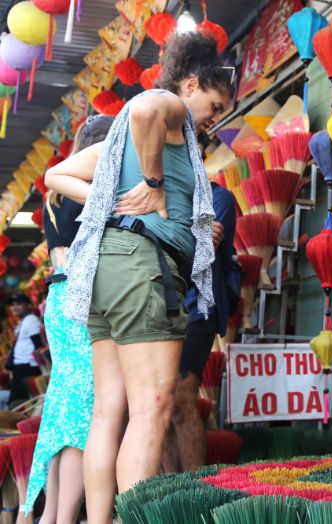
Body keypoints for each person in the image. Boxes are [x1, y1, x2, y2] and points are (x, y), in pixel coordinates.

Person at [44, 31, 232, 524]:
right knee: (152, 405)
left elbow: (57, 176)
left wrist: (114, 203)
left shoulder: (119, 137)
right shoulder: (167, 107)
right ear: (191, 85)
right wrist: (150, 186)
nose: (215, 118)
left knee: (111, 411)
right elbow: (149, 105)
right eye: (214, 105)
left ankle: (101, 518)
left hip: (104, 270)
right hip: (139, 266)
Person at [23, 116, 114, 524]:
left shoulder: (55, 197)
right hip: (81, 299)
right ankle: (62, 517)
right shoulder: (88, 190)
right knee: (82, 417)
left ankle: (50, 517)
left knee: (63, 414)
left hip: (58, 300)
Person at [164, 138, 237, 473]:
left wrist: (180, 233)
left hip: (197, 307)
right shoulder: (155, 197)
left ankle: (192, 490)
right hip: (158, 305)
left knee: (181, 401)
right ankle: (166, 494)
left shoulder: (219, 198)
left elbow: (199, 253)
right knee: (159, 406)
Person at [6, 293, 42, 406]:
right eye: (12, 305)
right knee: (17, 402)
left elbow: (38, 344)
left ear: (28, 306)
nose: (15, 307)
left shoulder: (31, 319)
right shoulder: (22, 321)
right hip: (21, 367)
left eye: (19, 304)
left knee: (19, 403)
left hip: (28, 366)